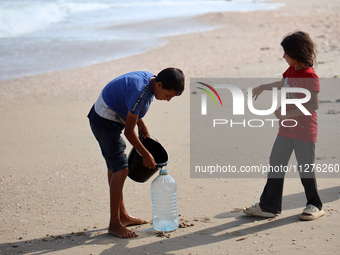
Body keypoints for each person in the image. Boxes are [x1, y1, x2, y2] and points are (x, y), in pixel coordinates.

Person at [87, 68, 185, 238]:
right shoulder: (140, 91)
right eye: (168, 95)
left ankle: (122, 216)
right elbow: (129, 133)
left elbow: (129, 103)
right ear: (160, 84)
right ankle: (114, 224)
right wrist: (146, 154)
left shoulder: (150, 81)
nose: (168, 100)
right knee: (121, 169)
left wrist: (140, 122)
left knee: (114, 167)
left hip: (109, 117)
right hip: (105, 121)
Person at [243, 31, 325, 220]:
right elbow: (283, 83)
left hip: (304, 131)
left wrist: (288, 113)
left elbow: (313, 105)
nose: (283, 56)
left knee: (305, 168)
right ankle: (269, 207)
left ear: (296, 52)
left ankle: (315, 205)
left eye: (286, 53)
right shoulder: (291, 71)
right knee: (276, 165)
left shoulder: (309, 75)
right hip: (286, 130)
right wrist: (263, 87)